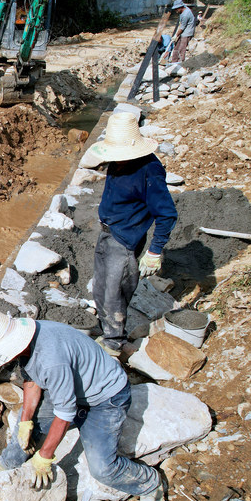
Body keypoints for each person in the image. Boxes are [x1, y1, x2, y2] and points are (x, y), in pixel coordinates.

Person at [0, 307, 165, 501]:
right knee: (28, 421)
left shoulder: (51, 360)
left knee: (103, 469)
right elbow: (31, 380)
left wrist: (45, 456)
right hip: (74, 388)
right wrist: (26, 421)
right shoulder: (29, 338)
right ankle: (9, 462)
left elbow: (65, 413)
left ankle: (149, 484)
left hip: (105, 400)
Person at [82, 111, 178, 355]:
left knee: (116, 291)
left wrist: (155, 250)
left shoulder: (149, 171)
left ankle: (114, 343)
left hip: (125, 239)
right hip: (108, 231)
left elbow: (166, 214)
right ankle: (105, 327)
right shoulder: (119, 161)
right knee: (101, 286)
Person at [170, 0, 196, 64]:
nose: (176, 10)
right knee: (176, 47)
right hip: (183, 33)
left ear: (181, 7)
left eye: (176, 9)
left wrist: (176, 35)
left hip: (186, 34)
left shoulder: (185, 14)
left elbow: (182, 27)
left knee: (181, 49)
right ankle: (174, 62)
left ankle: (180, 63)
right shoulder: (183, 11)